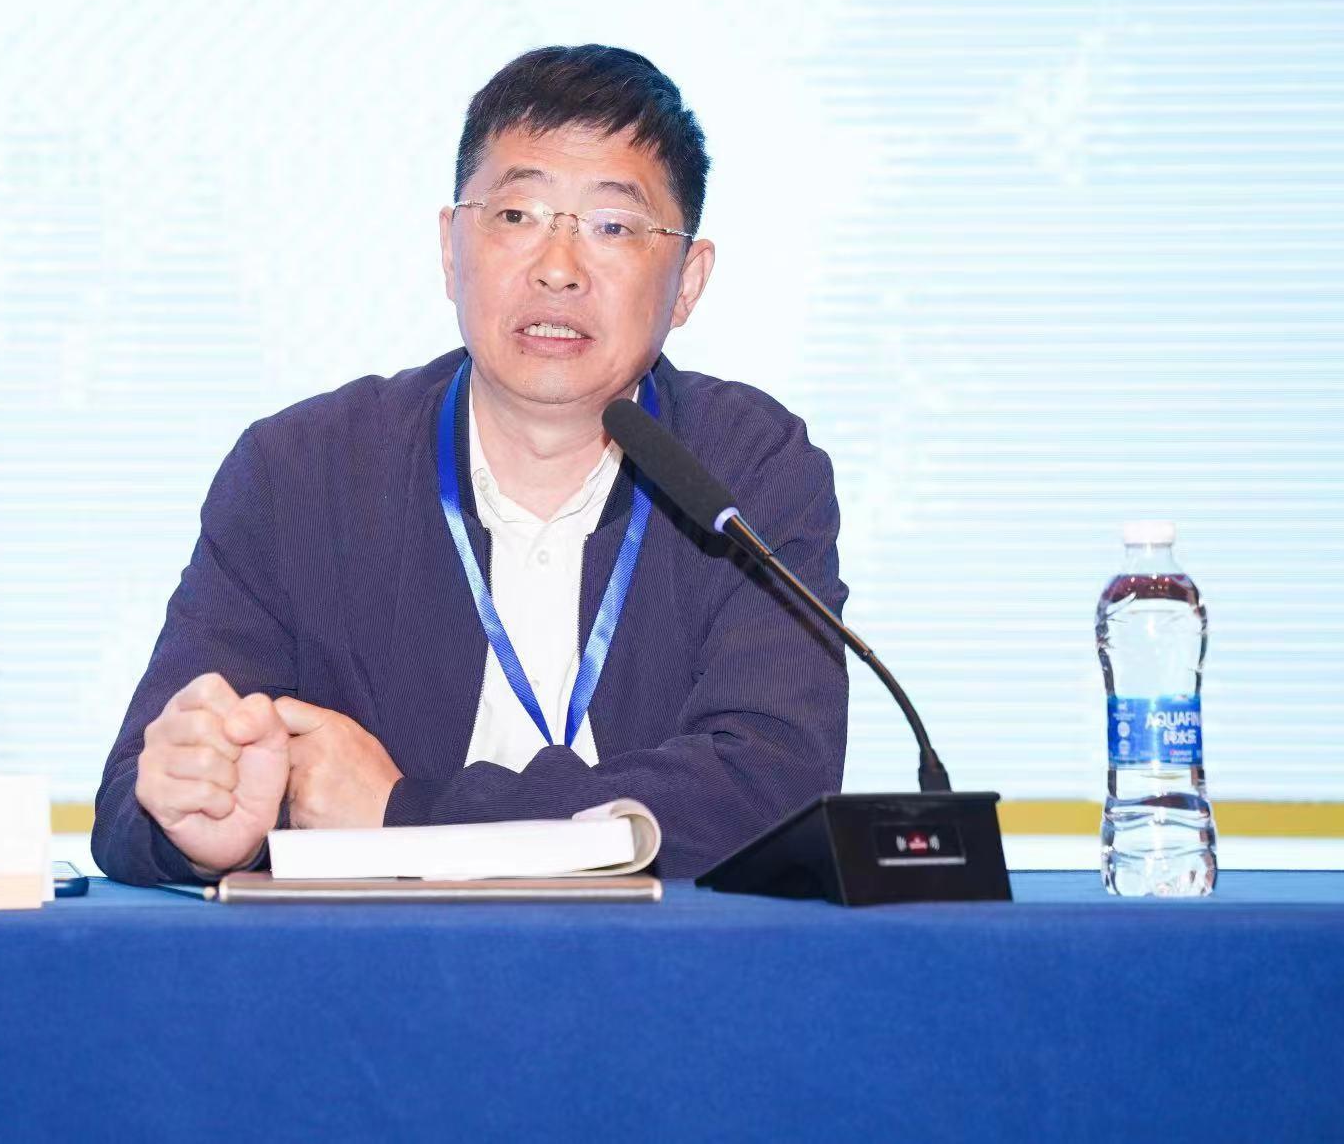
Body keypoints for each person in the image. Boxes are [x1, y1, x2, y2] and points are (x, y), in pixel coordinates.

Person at [92, 45, 848, 883]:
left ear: (688, 281)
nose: (557, 269)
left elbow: (773, 787)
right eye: (517, 214)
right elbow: (128, 806)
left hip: (657, 962)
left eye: (612, 226)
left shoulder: (748, 469)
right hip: (377, 964)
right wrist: (201, 822)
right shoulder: (301, 475)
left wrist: (405, 814)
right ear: (452, 248)